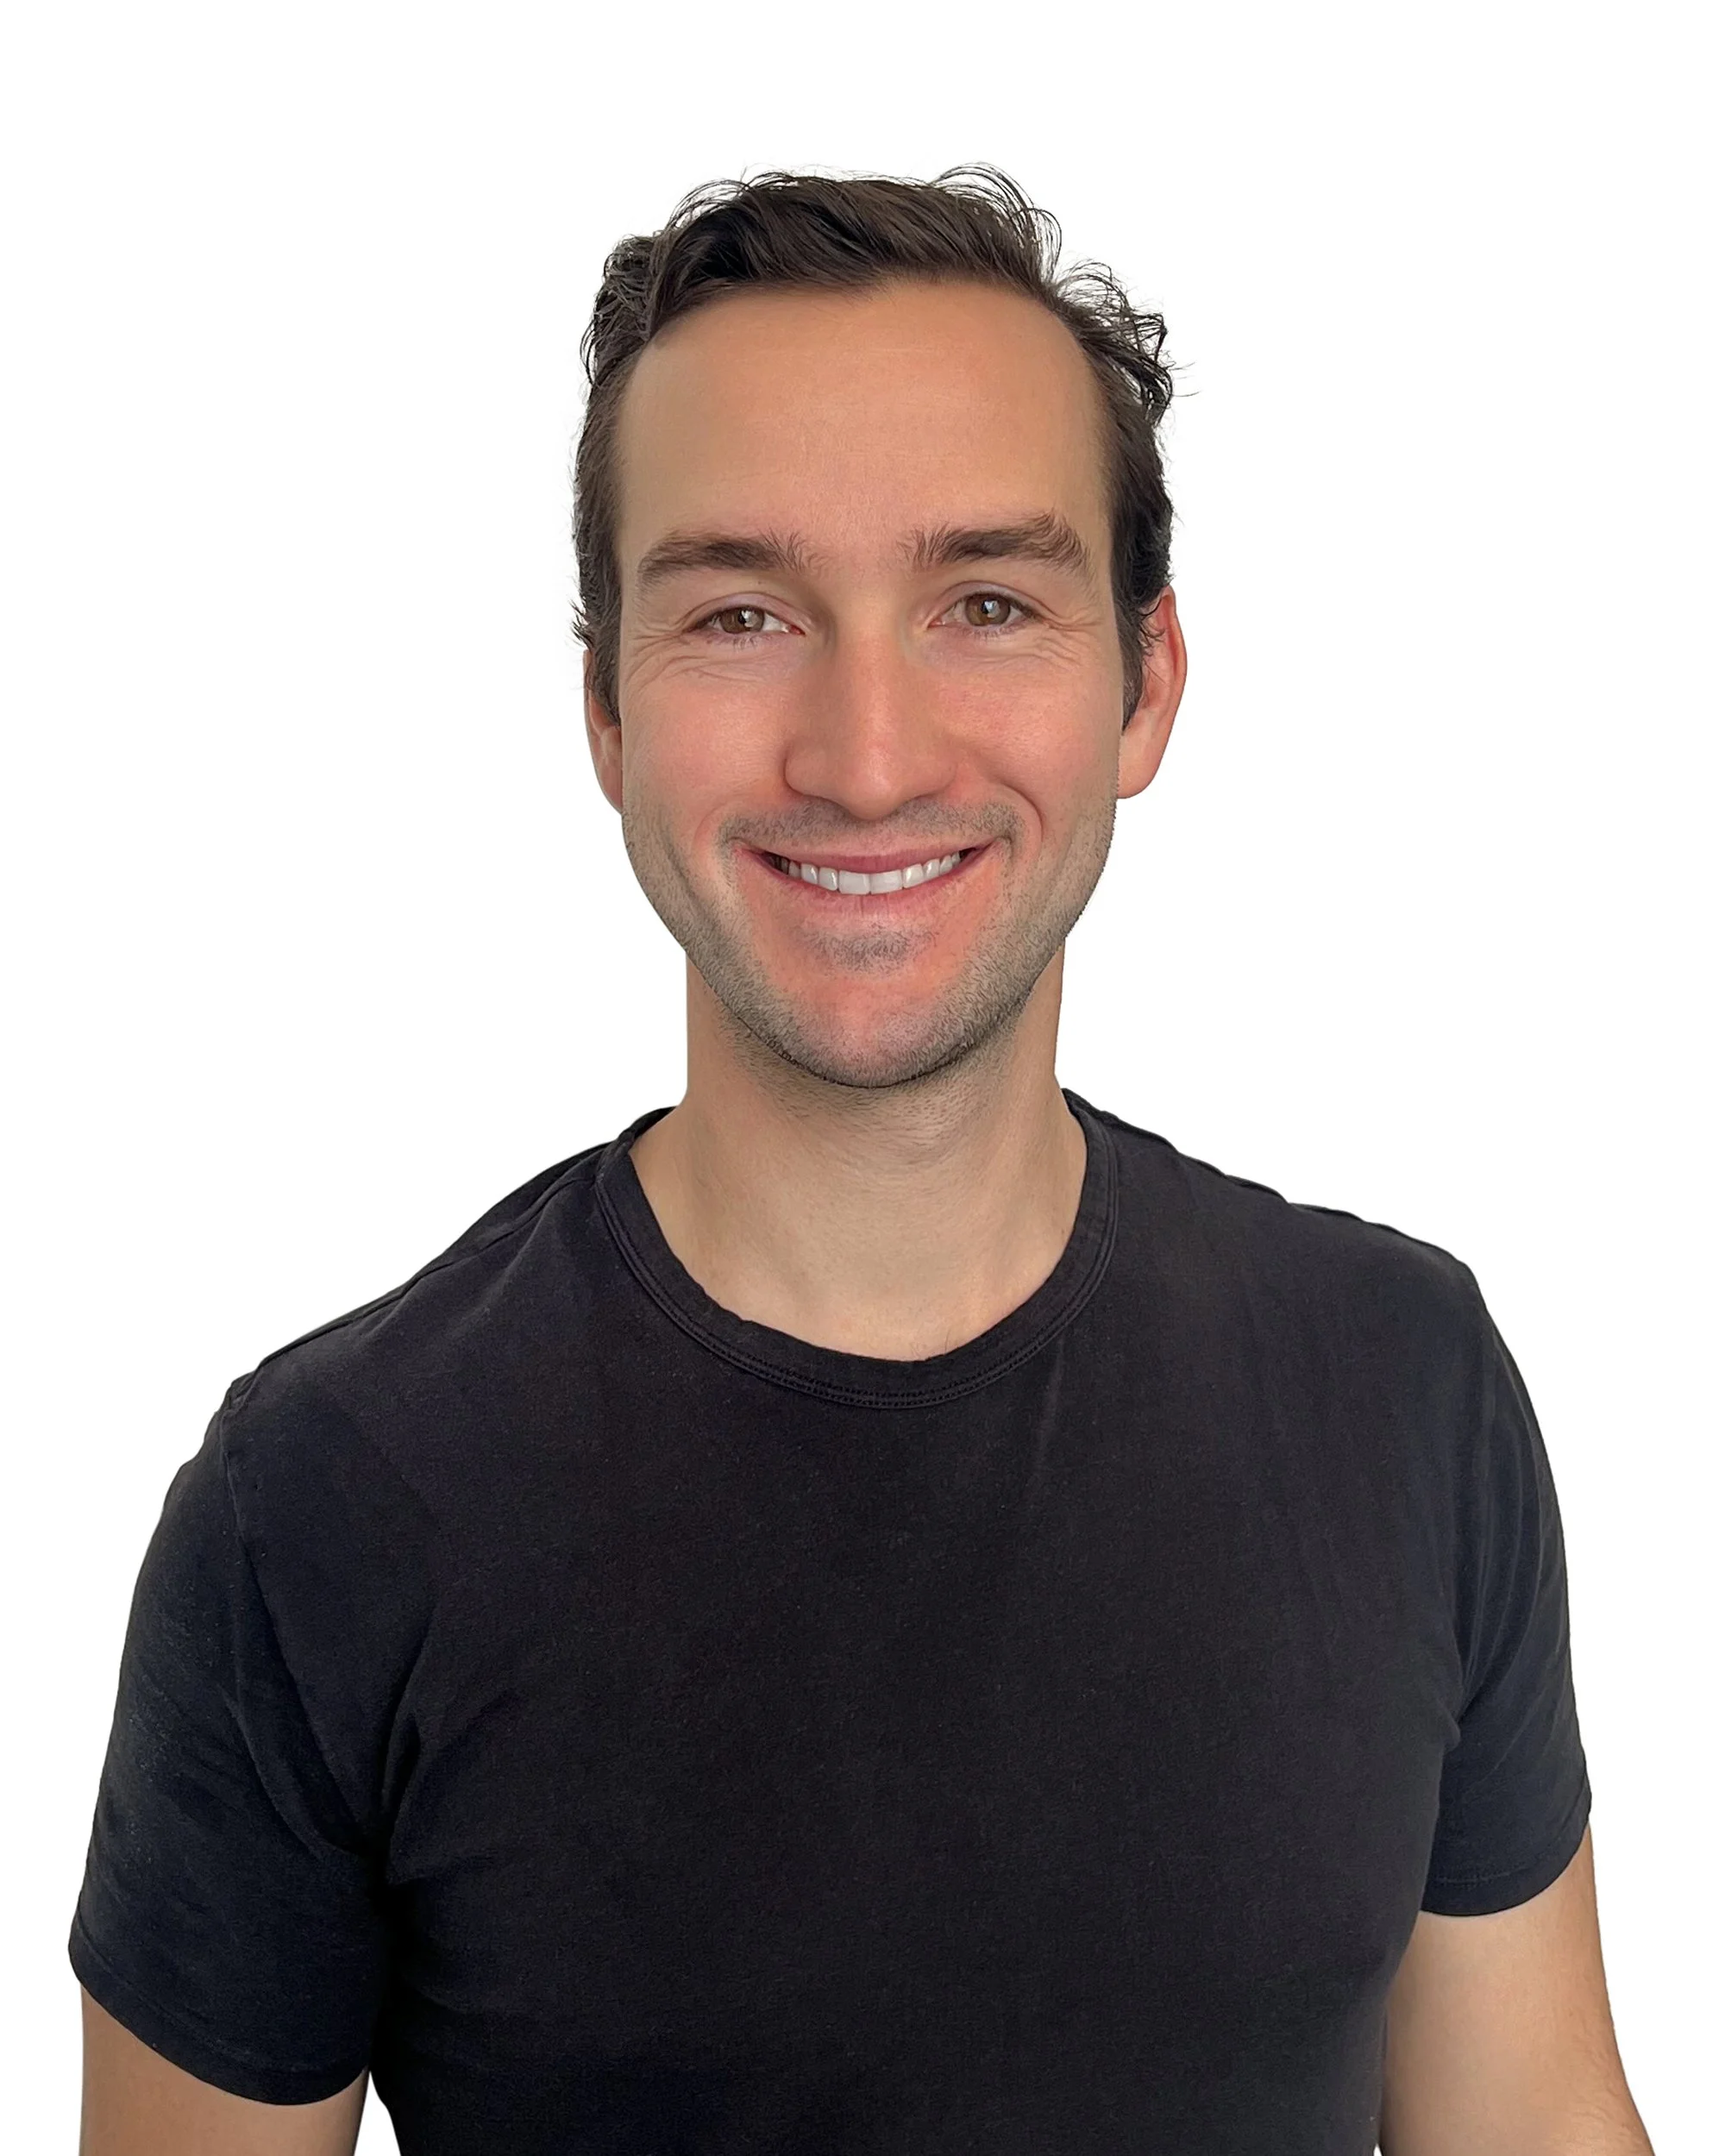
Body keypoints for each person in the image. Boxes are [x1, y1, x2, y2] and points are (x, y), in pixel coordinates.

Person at [71, 168, 1654, 2156]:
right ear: (606, 712)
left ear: (1145, 681)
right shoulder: (316, 1507)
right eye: (742, 612)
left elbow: (1523, 2115)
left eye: (985, 600)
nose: (869, 750)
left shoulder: (1403, 1383)